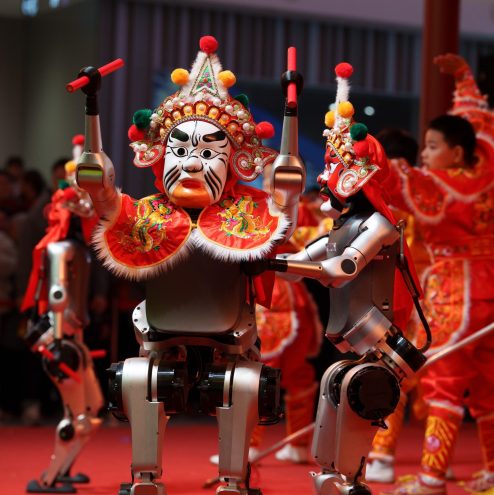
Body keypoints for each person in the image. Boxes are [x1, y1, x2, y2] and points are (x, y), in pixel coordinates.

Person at [382, 54, 494, 495]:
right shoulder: (487, 167)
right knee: (486, 385)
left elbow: (392, 178)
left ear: (456, 153)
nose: (425, 154)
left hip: (456, 291)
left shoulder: (445, 188)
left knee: (443, 383)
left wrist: (357, 148)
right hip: (487, 287)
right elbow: (475, 125)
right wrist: (464, 80)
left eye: (432, 146)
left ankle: (431, 479)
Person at [366, 129, 432, 484]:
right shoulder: (423, 188)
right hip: (433, 295)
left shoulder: (389, 193)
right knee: (433, 381)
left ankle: (382, 454)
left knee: (393, 372)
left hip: (402, 295)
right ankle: (438, 460)